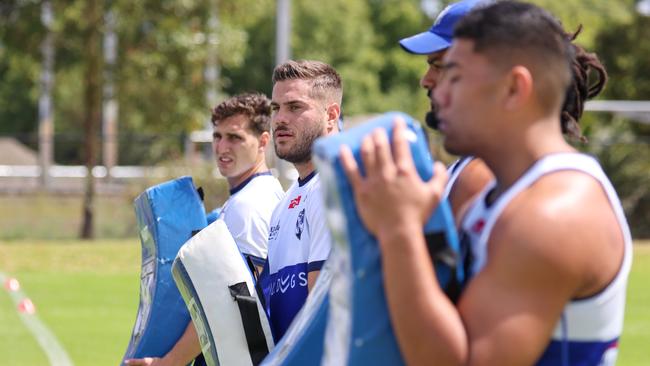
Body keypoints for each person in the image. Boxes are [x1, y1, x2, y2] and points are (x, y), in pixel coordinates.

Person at [341, 2, 631, 365]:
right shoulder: (503, 196)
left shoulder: (554, 214)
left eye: (455, 75)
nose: (436, 90)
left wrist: (399, 230)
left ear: (513, 88)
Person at [399, 0, 608, 220]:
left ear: (514, 86)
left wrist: (398, 225)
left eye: (446, 67)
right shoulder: (480, 169)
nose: (426, 81)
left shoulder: (483, 178)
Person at [126, 93, 284, 366]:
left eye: (235, 137)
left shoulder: (248, 207)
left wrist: (170, 362)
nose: (222, 147)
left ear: (263, 141)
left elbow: (228, 306)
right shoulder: (255, 196)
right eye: (217, 136)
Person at [265, 59, 342, 341]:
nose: (280, 118)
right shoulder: (284, 204)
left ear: (331, 115)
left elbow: (324, 313)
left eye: (295, 107)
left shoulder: (335, 187)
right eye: (275, 108)